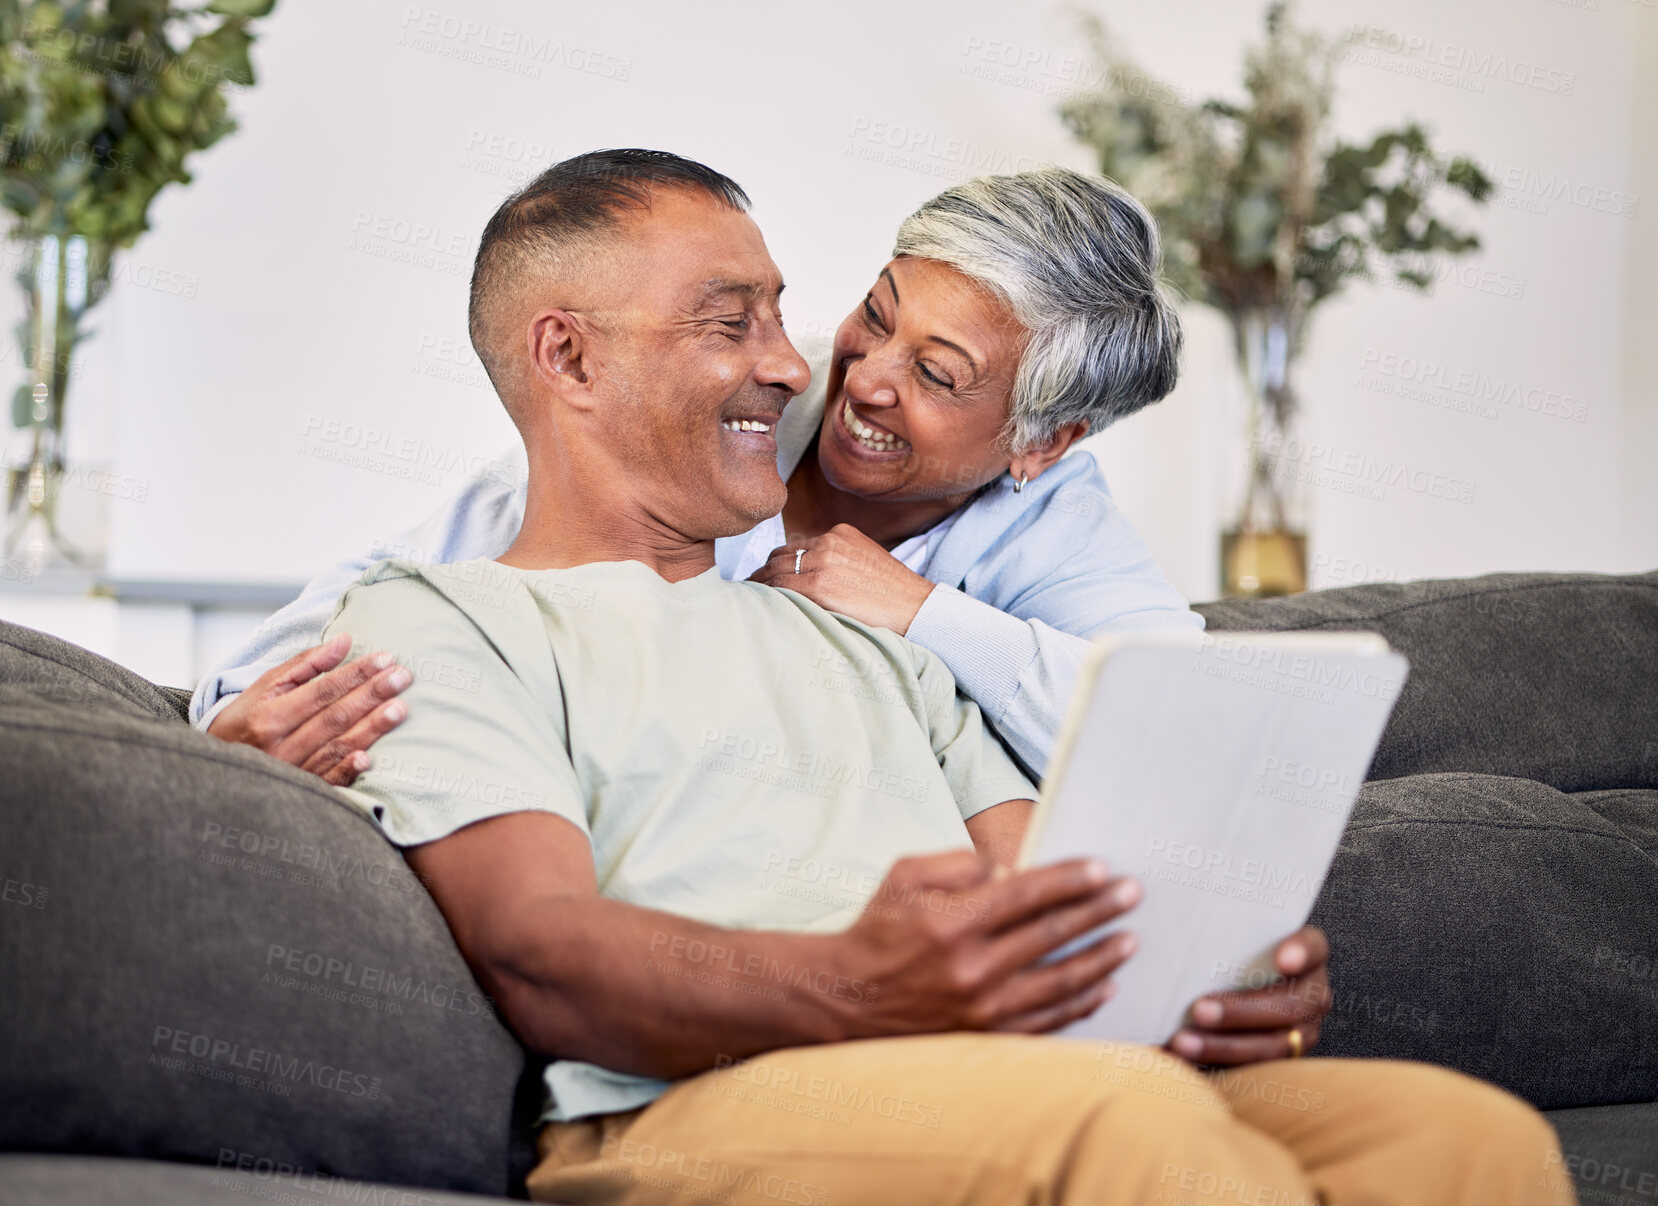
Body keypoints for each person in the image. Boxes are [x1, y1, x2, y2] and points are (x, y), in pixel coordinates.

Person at [311, 148, 1569, 1206]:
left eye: (780, 313)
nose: (808, 369)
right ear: (569, 360)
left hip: (1003, 1074)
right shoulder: (441, 618)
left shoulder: (878, 629)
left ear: (1038, 441)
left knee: (1461, 1140)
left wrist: (1211, 972)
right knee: (1127, 1126)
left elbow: (1066, 878)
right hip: (692, 1100)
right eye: (729, 322)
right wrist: (862, 986)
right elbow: (541, 954)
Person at [191, 166, 1205, 783]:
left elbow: (1189, 724)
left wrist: (916, 609)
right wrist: (243, 713)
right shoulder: (731, 397)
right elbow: (372, 597)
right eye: (878, 313)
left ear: (1044, 441)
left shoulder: (1051, 518)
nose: (860, 377)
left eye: (937, 375)